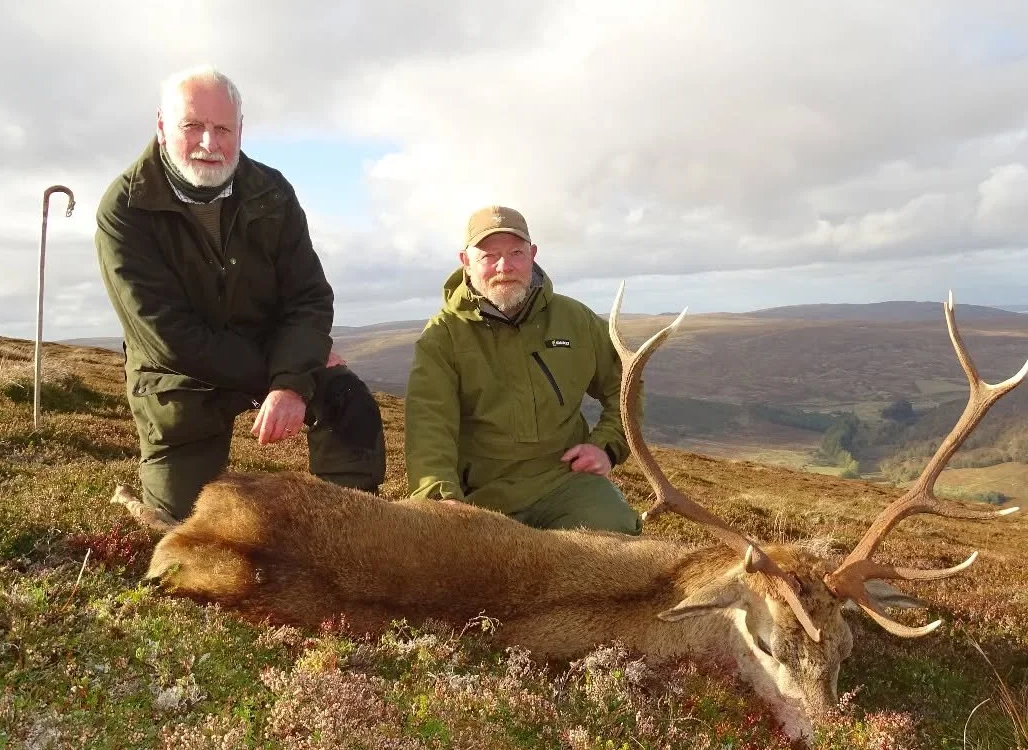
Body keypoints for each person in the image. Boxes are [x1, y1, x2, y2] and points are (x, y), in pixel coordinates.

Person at [96, 66, 384, 521]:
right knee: (181, 528)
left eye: (223, 128)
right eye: (193, 126)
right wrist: (280, 371)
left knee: (347, 399)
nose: (209, 143)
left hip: (266, 357)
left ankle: (345, 527)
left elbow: (308, 297)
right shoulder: (125, 208)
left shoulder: (272, 192)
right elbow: (168, 337)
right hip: (179, 380)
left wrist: (293, 381)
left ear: (240, 130)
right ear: (162, 126)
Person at [404, 205, 641, 534]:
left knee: (613, 532)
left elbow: (626, 388)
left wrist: (605, 446)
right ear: (466, 262)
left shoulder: (577, 320)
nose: (504, 267)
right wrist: (440, 498)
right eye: (489, 256)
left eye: (516, 253)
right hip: (480, 494)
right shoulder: (443, 336)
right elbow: (429, 423)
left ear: (532, 254)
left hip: (564, 482)